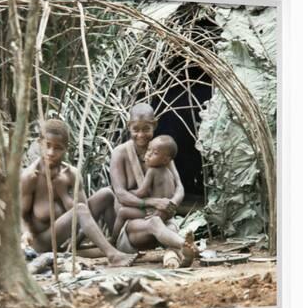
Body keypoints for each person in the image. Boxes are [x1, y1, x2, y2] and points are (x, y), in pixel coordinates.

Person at [21, 119, 136, 267]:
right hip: (43, 242)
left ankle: (116, 246)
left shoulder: (71, 174)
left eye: (58, 148)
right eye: (47, 146)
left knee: (106, 194)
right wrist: (26, 233)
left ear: (65, 149)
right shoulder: (31, 177)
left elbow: (85, 214)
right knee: (79, 209)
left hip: (67, 236)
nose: (51, 152)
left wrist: (63, 194)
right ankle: (113, 256)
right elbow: (21, 215)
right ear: (39, 142)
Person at [110, 104, 196, 267]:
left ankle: (178, 253)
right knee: (155, 223)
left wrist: (171, 204)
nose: (141, 135)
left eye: (146, 129)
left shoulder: (161, 151)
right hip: (133, 227)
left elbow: (179, 187)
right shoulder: (120, 153)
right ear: (129, 126)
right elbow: (120, 194)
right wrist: (153, 202)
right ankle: (185, 245)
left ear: (154, 125)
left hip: (163, 218)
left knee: (165, 225)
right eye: (136, 129)